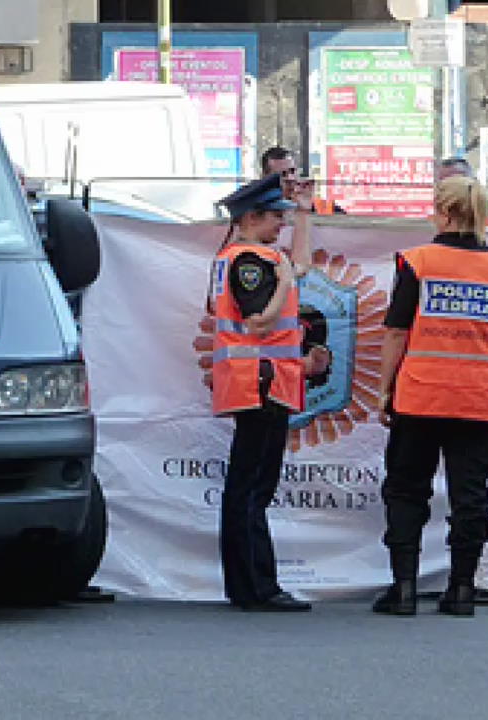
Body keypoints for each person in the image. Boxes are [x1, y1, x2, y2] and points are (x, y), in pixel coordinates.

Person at [371, 175, 488, 617]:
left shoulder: (418, 262)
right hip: (479, 400)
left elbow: (396, 332)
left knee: (407, 490)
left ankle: (403, 588)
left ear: (443, 212)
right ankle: (462, 589)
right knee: (471, 495)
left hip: (420, 396)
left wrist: (384, 390)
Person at [208, 173, 319, 612]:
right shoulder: (249, 262)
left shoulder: (258, 257)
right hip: (259, 382)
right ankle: (258, 587)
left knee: (251, 486)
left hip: (262, 380)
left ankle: (248, 585)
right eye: (277, 217)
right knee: (252, 488)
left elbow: (302, 265)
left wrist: (306, 213)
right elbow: (260, 322)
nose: (282, 226)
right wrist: (288, 281)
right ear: (251, 217)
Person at [261, 146, 344, 214]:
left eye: (292, 171)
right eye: (282, 174)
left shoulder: (326, 208)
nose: (290, 178)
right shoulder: (259, 211)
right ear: (266, 178)